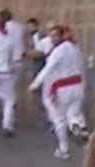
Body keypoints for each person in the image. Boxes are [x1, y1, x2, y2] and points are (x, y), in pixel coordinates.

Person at [29, 25, 87, 159]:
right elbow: (81, 67)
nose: (52, 39)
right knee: (73, 113)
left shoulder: (58, 51)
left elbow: (48, 68)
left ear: (61, 36)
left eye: (55, 36)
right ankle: (75, 125)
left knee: (59, 119)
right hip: (77, 85)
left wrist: (36, 83)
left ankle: (63, 148)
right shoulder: (75, 49)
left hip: (62, 87)